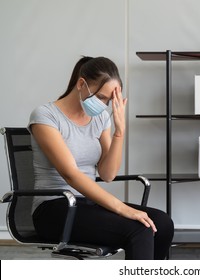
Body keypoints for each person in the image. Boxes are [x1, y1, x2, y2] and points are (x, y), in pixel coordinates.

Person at [29, 56, 174, 260]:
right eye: (102, 97)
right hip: (54, 208)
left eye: (109, 100)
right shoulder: (46, 116)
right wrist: (123, 209)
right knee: (140, 229)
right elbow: (70, 174)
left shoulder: (100, 118)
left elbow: (107, 174)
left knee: (162, 223)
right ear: (81, 84)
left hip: (86, 204)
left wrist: (119, 131)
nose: (104, 105)